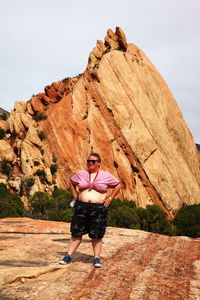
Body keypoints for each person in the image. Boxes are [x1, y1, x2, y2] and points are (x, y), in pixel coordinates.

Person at [59, 152, 121, 267]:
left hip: (98, 208)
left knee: (97, 235)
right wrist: (75, 195)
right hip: (81, 207)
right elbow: (72, 182)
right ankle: (68, 255)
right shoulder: (81, 174)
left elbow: (118, 185)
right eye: (89, 161)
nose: (90, 163)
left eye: (93, 161)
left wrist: (110, 198)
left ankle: (96, 258)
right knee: (76, 232)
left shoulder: (106, 175)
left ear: (98, 164)